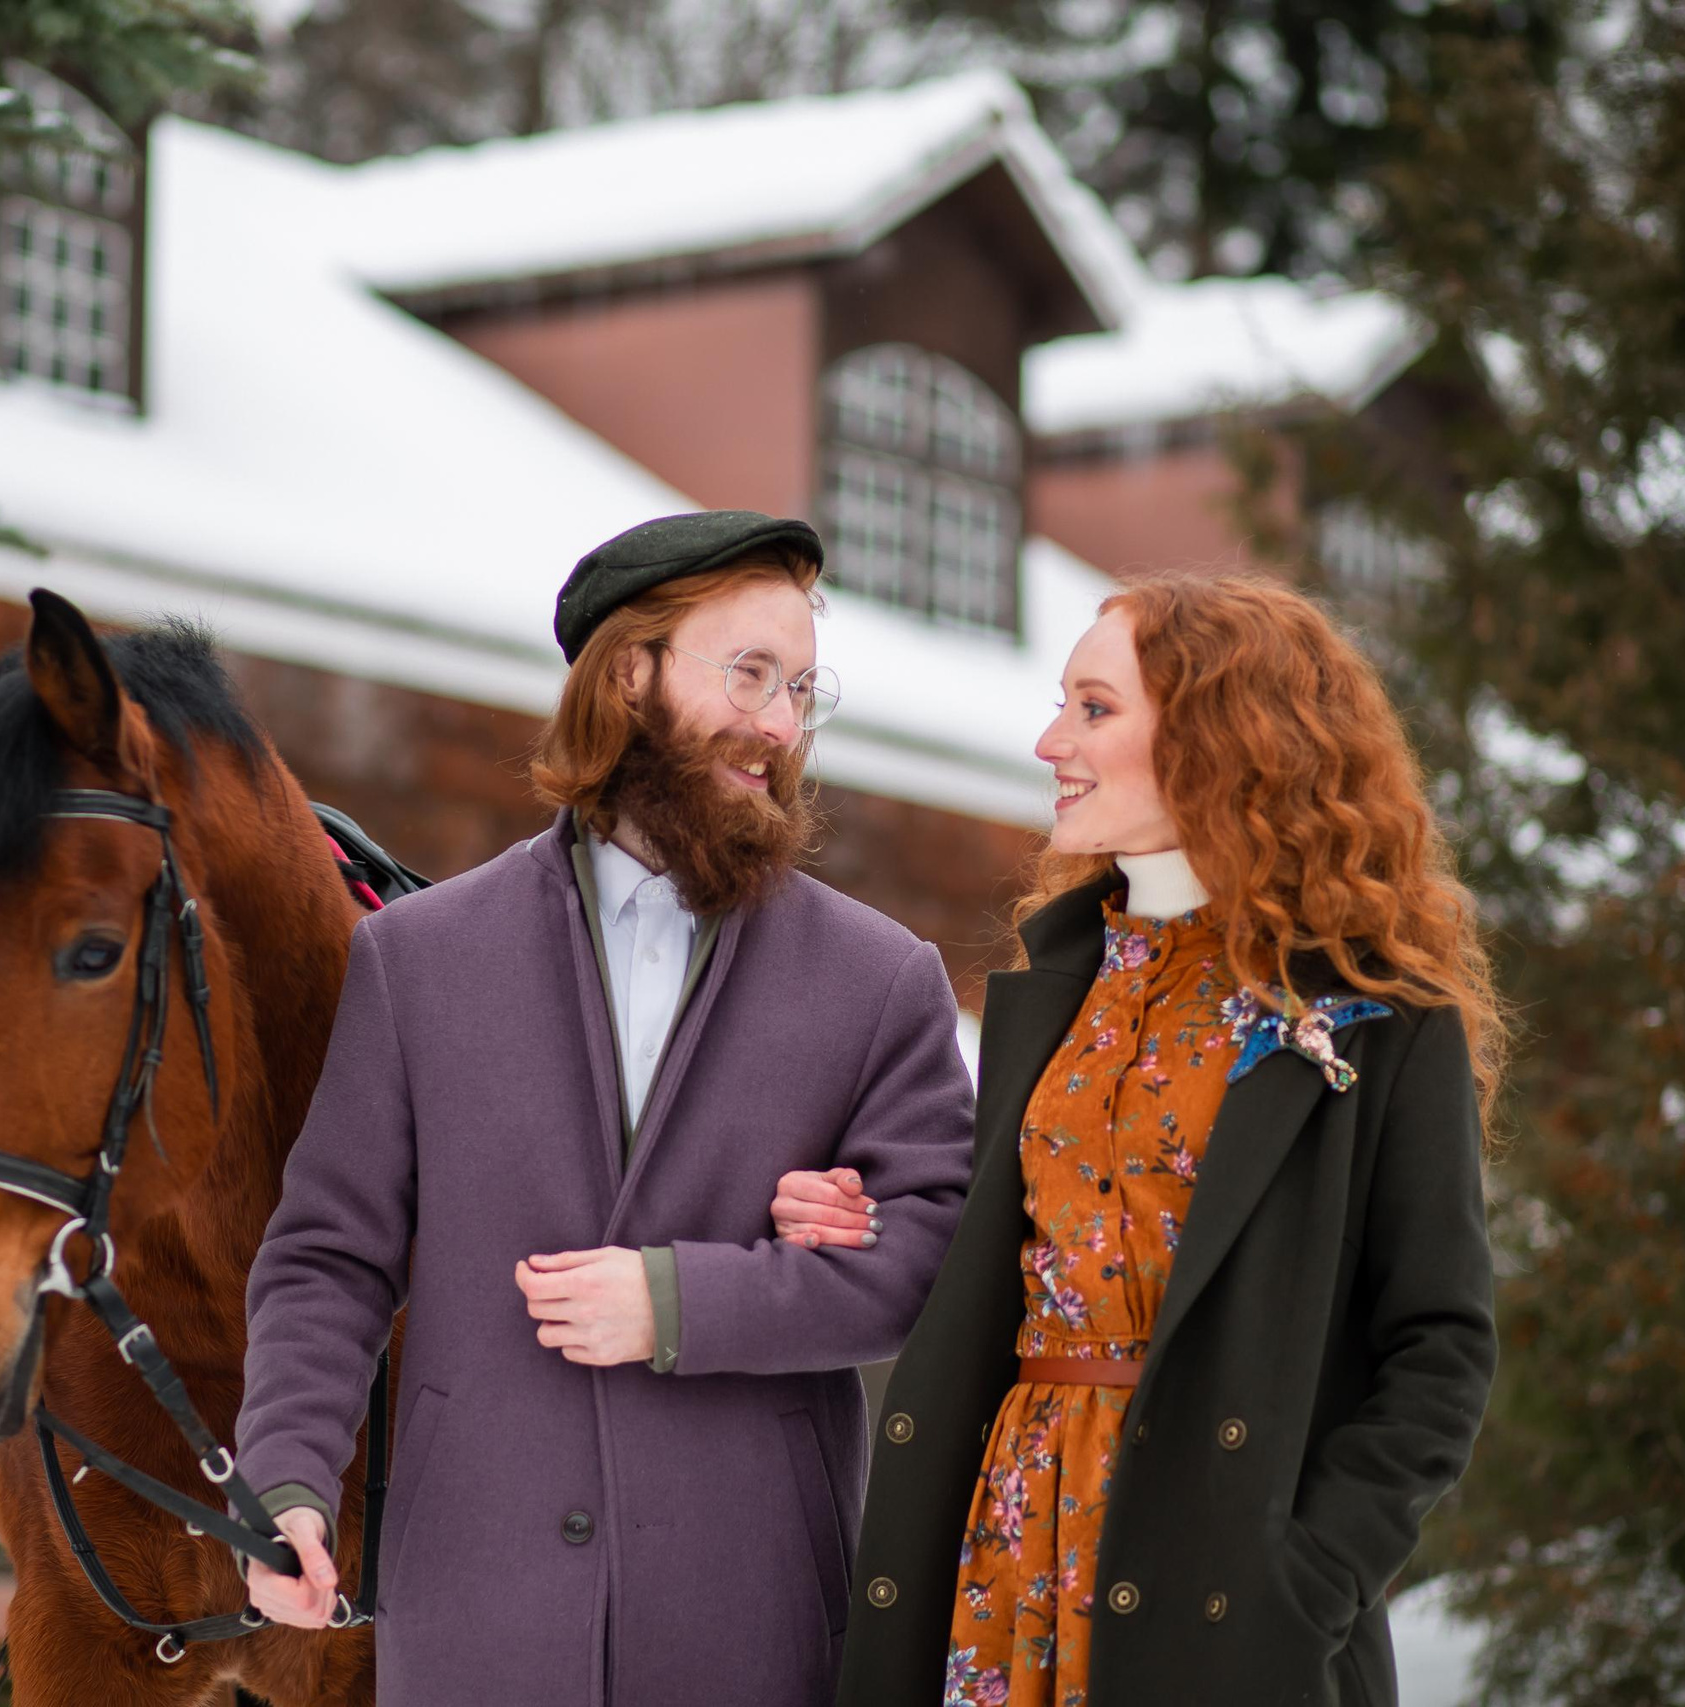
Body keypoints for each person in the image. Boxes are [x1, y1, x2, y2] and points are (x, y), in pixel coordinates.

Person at [233, 510, 977, 1707]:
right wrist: (285, 1480)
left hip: (756, 1618)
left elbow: (929, 1263)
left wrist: (677, 1302)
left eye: (801, 688)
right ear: (630, 675)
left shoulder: (879, 978)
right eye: (748, 675)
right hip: (475, 1609)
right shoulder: (416, 960)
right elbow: (329, 1257)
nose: (782, 725)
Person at [782, 575, 1506, 1707]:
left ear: (1226, 733)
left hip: (1222, 1580)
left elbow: (1438, 1349)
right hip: (1005, 1550)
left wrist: (1307, 1580)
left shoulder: (1378, 1015)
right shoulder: (1058, 985)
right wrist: (870, 1219)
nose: (1048, 740)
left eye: (1093, 708)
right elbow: (1016, 1258)